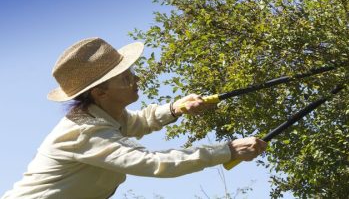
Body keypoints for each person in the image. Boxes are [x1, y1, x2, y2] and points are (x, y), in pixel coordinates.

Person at [2, 37, 267, 199]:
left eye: (132, 73)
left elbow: (136, 122)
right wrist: (226, 151)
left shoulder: (107, 115)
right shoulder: (86, 132)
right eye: (126, 78)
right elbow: (154, 163)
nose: (136, 80)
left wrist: (176, 107)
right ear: (100, 92)